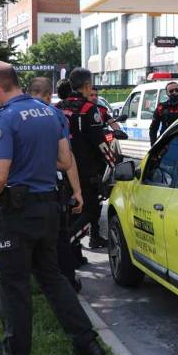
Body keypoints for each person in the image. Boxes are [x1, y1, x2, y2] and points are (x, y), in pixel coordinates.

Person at [0, 61, 104, 355]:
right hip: (49, 208)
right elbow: (64, 159)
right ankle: (87, 344)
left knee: (13, 285)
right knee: (52, 277)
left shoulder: (4, 117)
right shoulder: (51, 112)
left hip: (17, 213)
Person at [27, 77, 86, 290]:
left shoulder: (11, 114)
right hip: (52, 190)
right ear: (48, 94)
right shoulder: (56, 116)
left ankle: (35, 282)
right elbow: (67, 158)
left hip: (21, 195)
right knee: (59, 239)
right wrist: (77, 191)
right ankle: (67, 283)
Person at [56, 68, 112, 249]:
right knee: (91, 211)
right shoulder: (89, 108)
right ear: (87, 85)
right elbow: (101, 143)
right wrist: (115, 164)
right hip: (85, 170)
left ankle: (71, 255)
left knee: (71, 212)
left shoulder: (58, 108)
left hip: (62, 169)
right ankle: (65, 249)